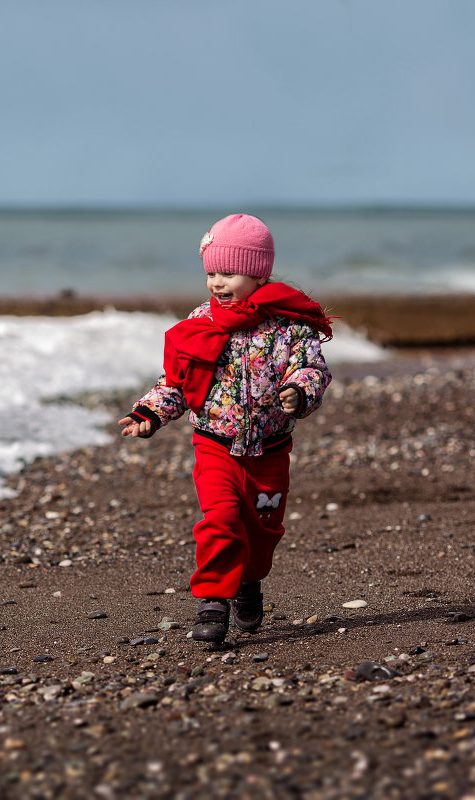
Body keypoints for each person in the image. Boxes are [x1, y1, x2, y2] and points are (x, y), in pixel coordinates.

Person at [118, 213, 332, 645]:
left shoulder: (289, 326)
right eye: (211, 272)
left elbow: (312, 368)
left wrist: (298, 390)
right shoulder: (204, 322)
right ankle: (213, 600)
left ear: (257, 273)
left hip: (270, 451)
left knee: (262, 531)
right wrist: (150, 414)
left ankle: (249, 582)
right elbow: (178, 383)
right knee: (221, 519)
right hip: (215, 446)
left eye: (228, 272)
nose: (217, 281)